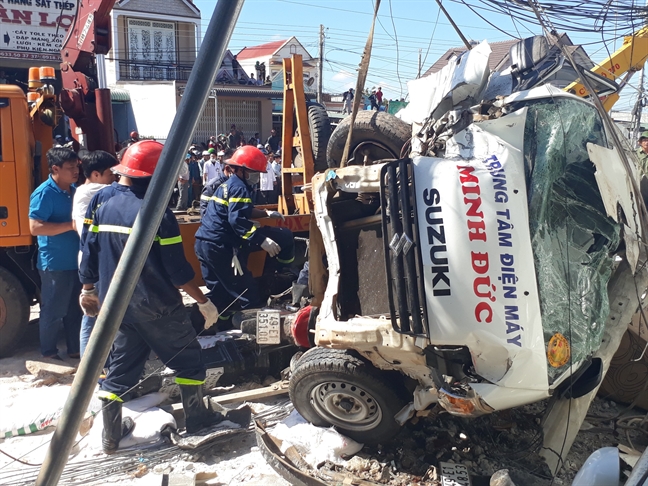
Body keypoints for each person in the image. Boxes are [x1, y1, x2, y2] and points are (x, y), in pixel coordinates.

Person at [79, 141, 222, 454]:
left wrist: (87, 288)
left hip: (115, 305)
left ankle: (111, 434)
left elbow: (88, 249)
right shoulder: (157, 210)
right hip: (156, 305)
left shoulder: (100, 200)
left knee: (119, 370)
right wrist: (203, 301)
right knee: (189, 361)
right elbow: (176, 271)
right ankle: (198, 418)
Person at [194, 146, 295, 323]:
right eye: (254, 172)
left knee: (220, 295)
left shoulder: (229, 185)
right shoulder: (239, 188)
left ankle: (213, 328)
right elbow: (237, 221)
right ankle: (254, 335)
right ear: (240, 170)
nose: (256, 177)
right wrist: (261, 239)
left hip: (204, 244)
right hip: (220, 246)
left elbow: (242, 210)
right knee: (247, 292)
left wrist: (265, 213)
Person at [29, 147, 83, 359]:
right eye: (70, 168)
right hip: (55, 263)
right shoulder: (44, 193)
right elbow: (35, 227)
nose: (75, 171)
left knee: (74, 309)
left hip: (75, 260)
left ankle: (74, 349)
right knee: (54, 311)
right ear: (55, 169)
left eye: (76, 167)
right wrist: (70, 226)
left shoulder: (74, 190)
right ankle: (49, 353)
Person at [72, 150, 118, 356]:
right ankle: (89, 364)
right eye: (111, 174)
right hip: (95, 260)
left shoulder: (91, 191)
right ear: (96, 175)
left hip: (96, 257)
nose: (114, 178)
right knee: (92, 315)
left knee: (100, 313)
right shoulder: (92, 191)